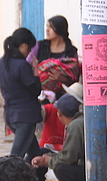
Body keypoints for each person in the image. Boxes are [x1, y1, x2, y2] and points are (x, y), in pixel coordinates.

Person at [28, 16, 81, 153]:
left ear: (59, 29)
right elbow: (29, 64)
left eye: (50, 27)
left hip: (63, 96)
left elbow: (74, 76)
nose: (47, 30)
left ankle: (62, 151)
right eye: (47, 26)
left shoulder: (71, 51)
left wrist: (61, 78)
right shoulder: (40, 46)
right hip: (41, 94)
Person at [30, 94, 85, 181]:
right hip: (83, 164)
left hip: (87, 168)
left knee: (61, 168)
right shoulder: (77, 122)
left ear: (59, 113)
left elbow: (69, 157)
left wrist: (48, 161)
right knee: (42, 151)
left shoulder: (76, 125)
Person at [0, 28, 42, 162]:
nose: (29, 53)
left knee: (35, 154)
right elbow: (35, 90)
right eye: (29, 50)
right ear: (24, 46)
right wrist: (35, 71)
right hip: (25, 116)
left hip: (11, 115)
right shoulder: (22, 65)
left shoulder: (1, 63)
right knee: (15, 159)